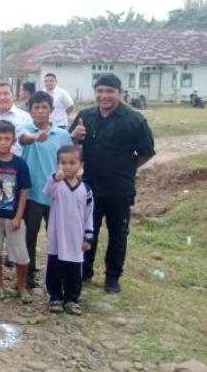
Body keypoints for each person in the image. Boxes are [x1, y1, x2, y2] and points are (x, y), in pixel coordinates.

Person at [70, 73, 155, 293]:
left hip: (119, 189)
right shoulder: (85, 116)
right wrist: (75, 137)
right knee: (88, 230)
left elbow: (146, 152)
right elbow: (72, 149)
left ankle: (112, 277)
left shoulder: (134, 119)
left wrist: (126, 168)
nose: (104, 96)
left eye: (110, 91)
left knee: (118, 233)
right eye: (100, 91)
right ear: (95, 92)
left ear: (120, 93)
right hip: (90, 186)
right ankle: (85, 270)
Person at [17, 91, 73, 288]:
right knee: (29, 236)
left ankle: (56, 277)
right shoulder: (24, 128)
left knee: (57, 238)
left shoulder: (63, 135)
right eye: (36, 108)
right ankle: (28, 275)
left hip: (57, 195)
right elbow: (23, 138)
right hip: (31, 194)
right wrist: (34, 137)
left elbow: (70, 160)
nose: (40, 111)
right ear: (30, 110)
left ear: (51, 109)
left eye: (44, 107)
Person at [0, 120, 32, 304]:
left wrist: (19, 216)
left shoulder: (20, 164)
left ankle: (21, 286)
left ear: (14, 140)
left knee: (20, 253)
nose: (3, 142)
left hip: (13, 216)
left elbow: (24, 191)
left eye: (7, 138)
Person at [43, 146, 94, 315]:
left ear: (81, 164)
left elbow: (88, 215)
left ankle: (72, 299)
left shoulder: (86, 190)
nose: (68, 166)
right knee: (55, 268)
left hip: (75, 238)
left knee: (73, 270)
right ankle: (54, 297)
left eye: (72, 162)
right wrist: (54, 179)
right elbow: (46, 191)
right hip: (58, 236)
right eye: (63, 163)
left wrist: (88, 236)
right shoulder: (57, 185)